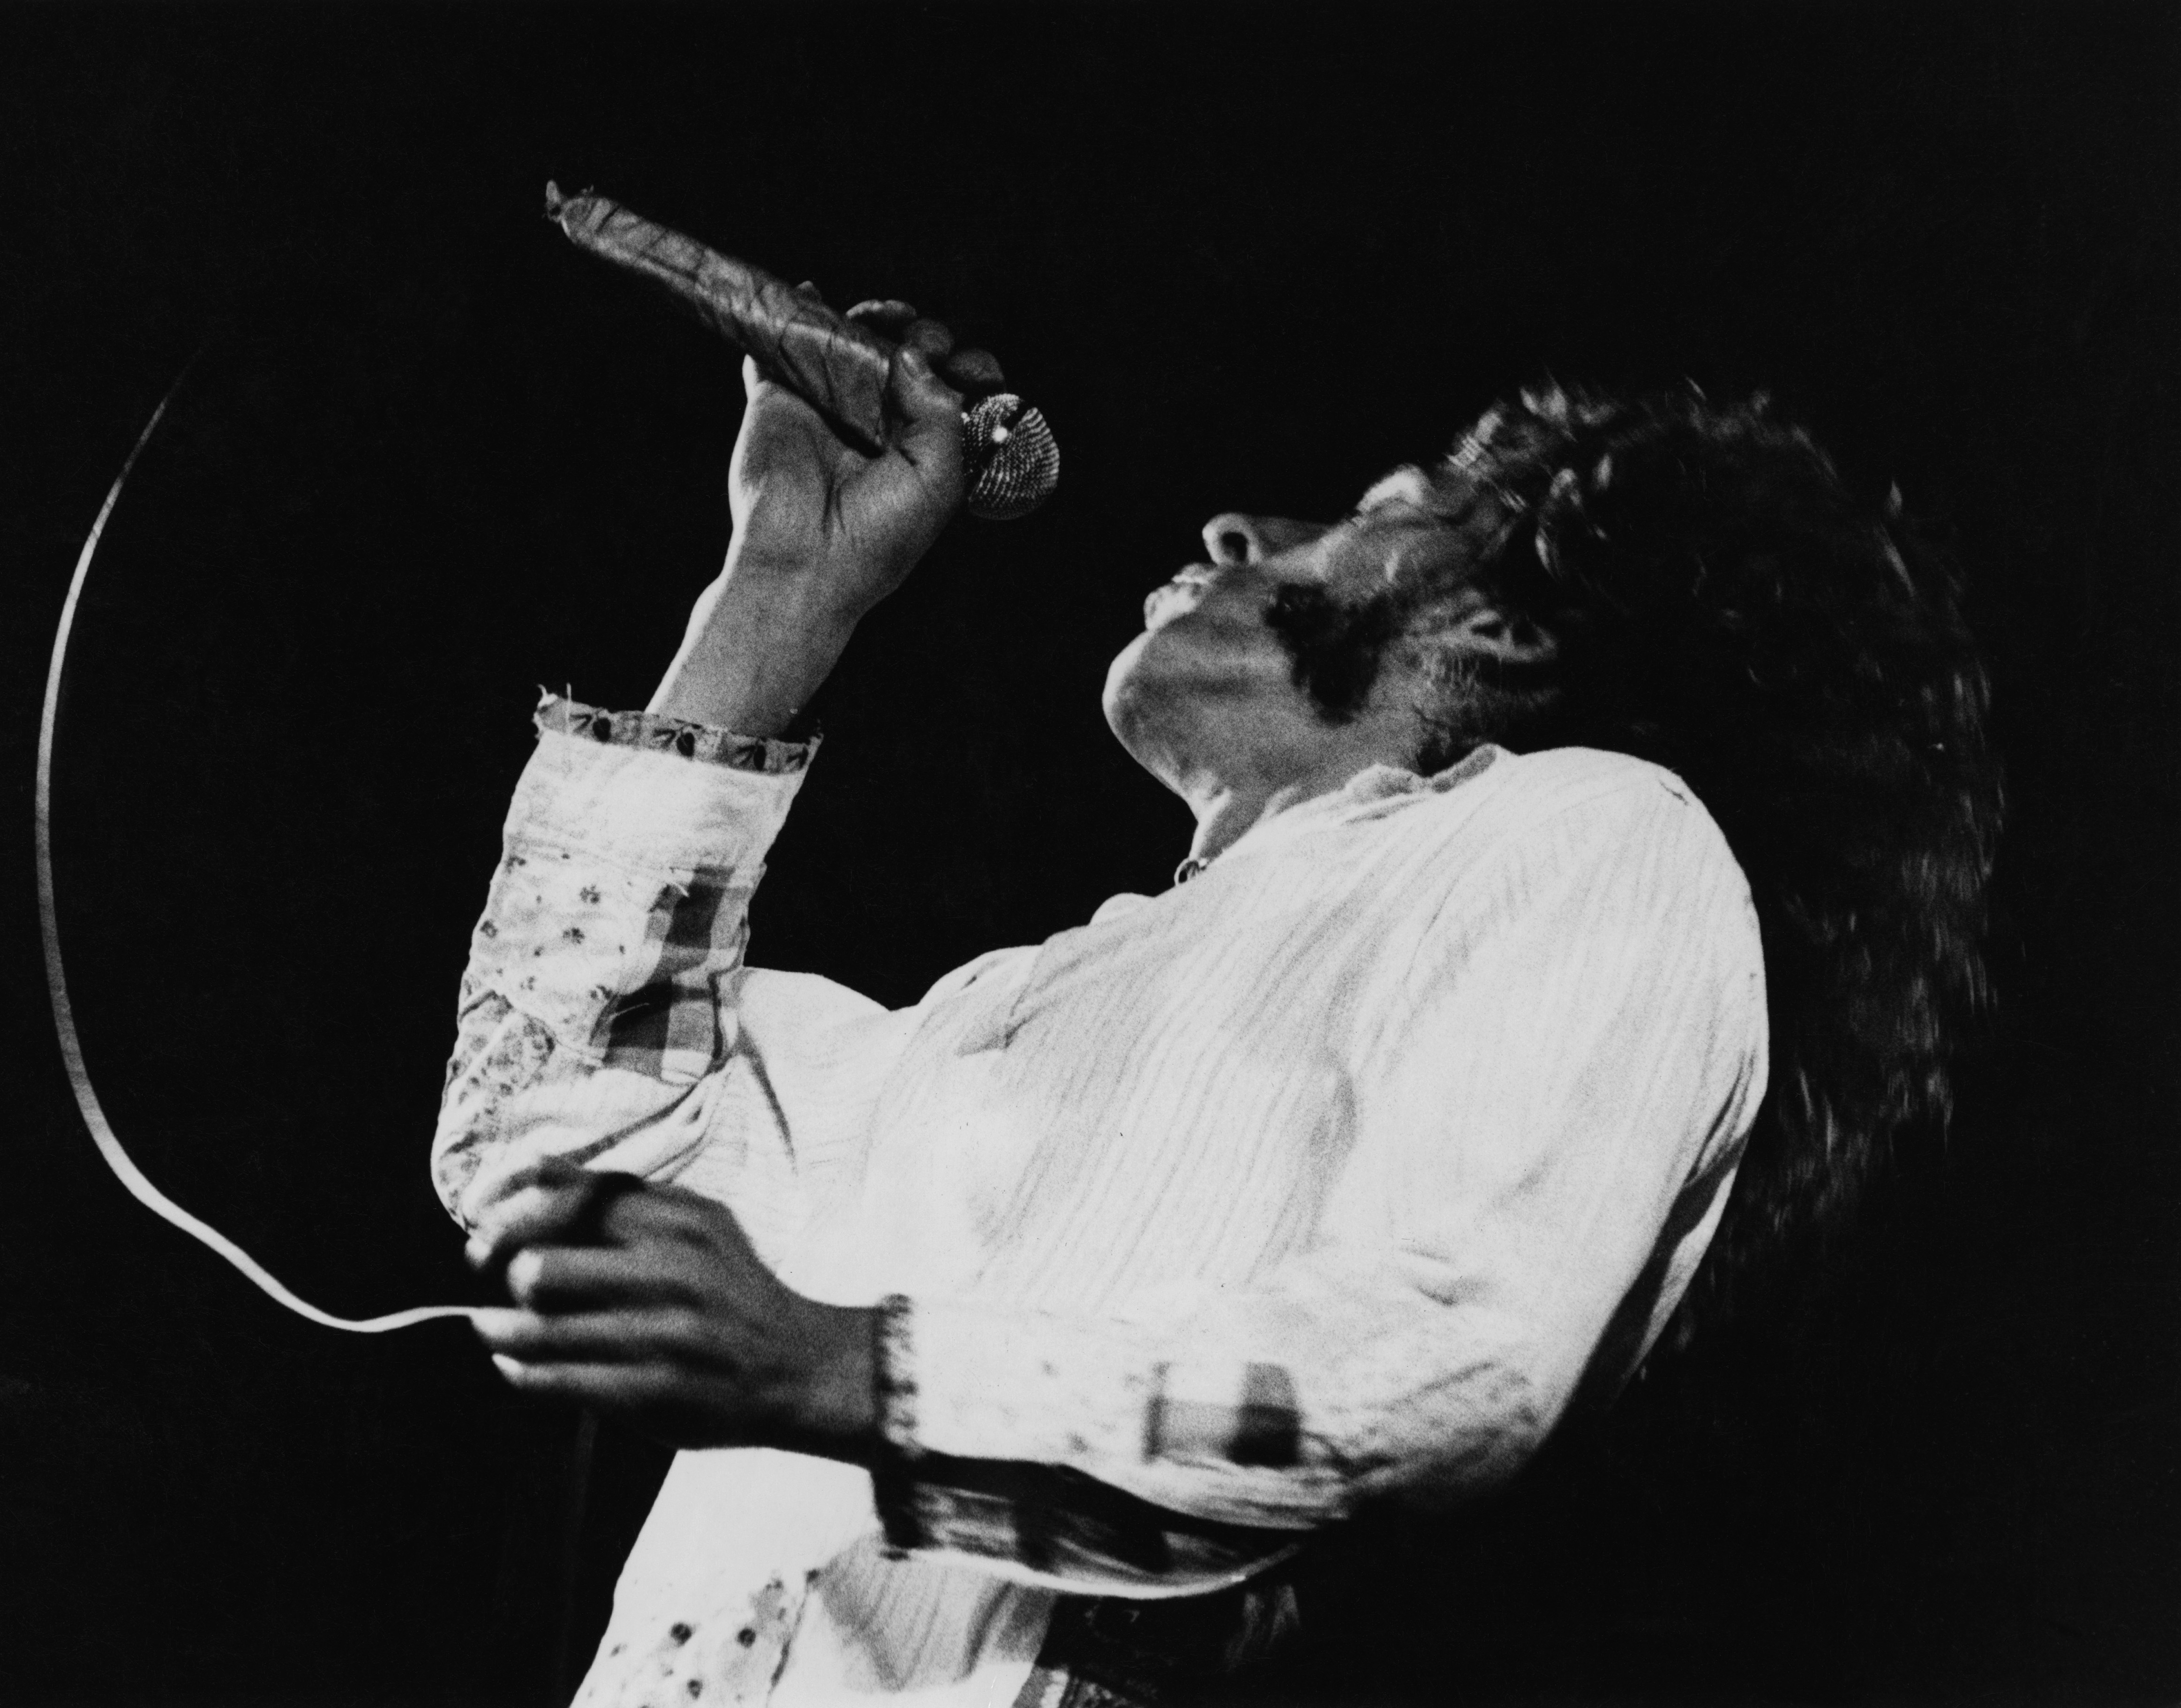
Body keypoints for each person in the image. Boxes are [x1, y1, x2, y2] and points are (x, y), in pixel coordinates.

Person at [436, 306, 1998, 1708]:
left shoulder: (1598, 832)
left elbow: (1444, 1349)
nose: (1236, 528)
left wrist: (858, 1375)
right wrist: (781, 583)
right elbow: (548, 1148)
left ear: (1506, 629)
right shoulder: (1019, 1005)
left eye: (1378, 517)